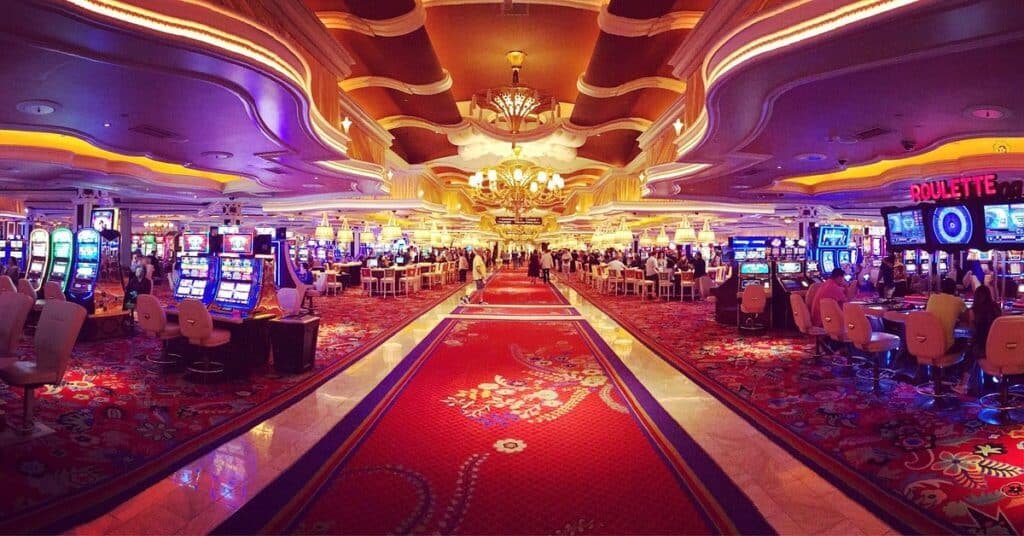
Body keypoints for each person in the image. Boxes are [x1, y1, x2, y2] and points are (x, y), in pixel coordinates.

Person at [925, 278, 968, 352]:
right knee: (966, 339)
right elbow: (966, 319)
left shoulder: (932, 298)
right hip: (946, 347)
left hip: (929, 344)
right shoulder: (958, 301)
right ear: (954, 289)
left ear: (941, 288)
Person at [969, 285, 1001, 358]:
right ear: (989, 295)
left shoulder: (973, 311)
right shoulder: (996, 308)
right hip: (996, 347)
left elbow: (972, 331)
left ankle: (974, 364)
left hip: (980, 349)